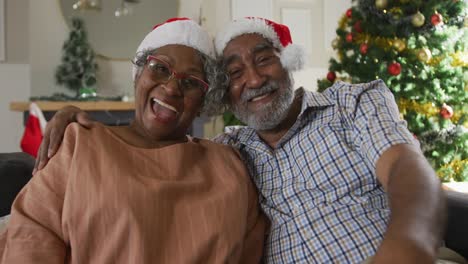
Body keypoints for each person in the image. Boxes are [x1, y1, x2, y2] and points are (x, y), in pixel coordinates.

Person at [33, 17, 448, 263]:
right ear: (225, 93)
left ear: (287, 62)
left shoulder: (350, 104)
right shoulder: (235, 151)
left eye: (263, 59)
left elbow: (410, 174)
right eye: (233, 73)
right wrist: (77, 121)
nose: (252, 78)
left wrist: (407, 246)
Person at [0, 17, 266, 263]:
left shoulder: (230, 167)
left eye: (191, 82)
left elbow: (250, 251)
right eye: (160, 68)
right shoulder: (78, 144)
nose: (172, 88)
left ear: (203, 102)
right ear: (138, 74)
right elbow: (31, 237)